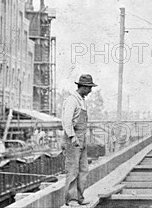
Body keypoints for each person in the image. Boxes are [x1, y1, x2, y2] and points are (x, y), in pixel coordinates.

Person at [62, 74, 97, 206]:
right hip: (74, 137)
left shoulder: (81, 100)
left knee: (83, 169)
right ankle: (71, 199)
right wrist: (72, 137)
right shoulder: (72, 100)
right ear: (83, 87)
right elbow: (67, 121)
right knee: (72, 169)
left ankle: (79, 197)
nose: (90, 91)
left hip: (82, 137)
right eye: (89, 88)